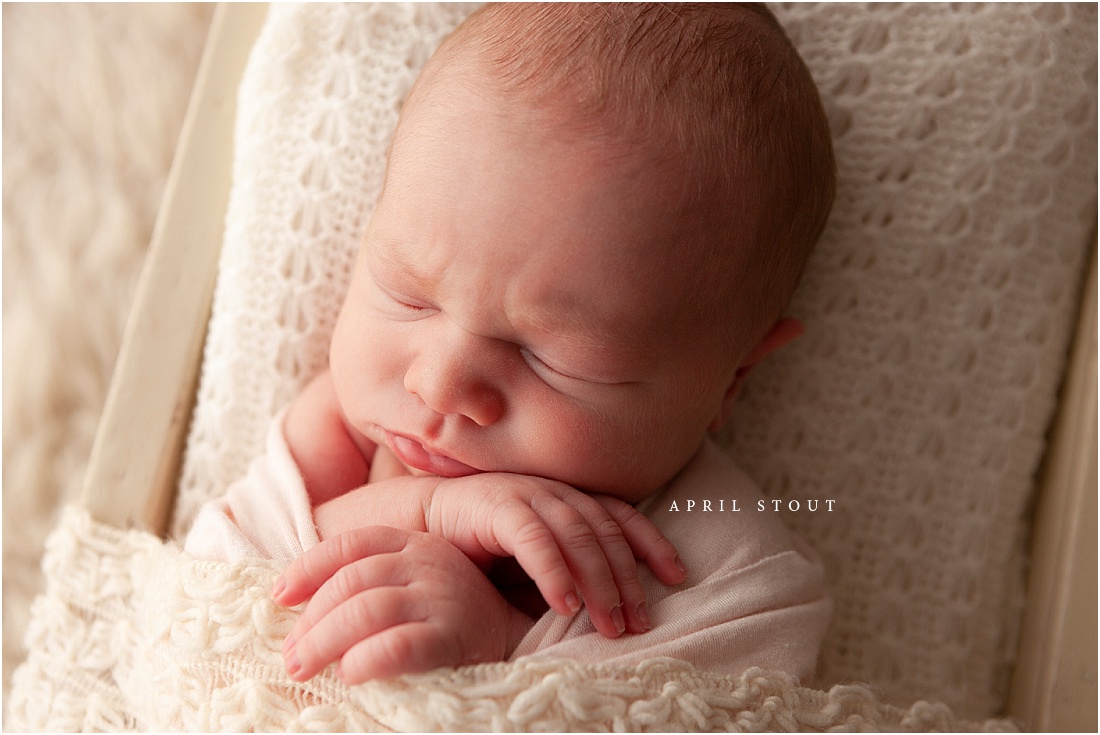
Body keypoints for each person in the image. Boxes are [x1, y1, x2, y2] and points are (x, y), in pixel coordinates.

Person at [185, 1, 836, 687]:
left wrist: (503, 642)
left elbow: (725, 706)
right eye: (411, 293)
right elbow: (217, 583)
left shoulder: (718, 556)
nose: (437, 383)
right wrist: (427, 513)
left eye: (550, 355)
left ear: (731, 380)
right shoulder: (340, 436)